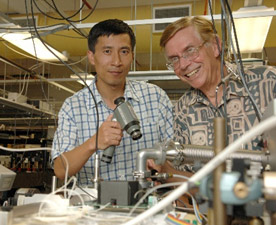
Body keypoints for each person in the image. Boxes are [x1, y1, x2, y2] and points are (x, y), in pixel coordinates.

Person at [51, 19, 173, 185]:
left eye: (124, 51)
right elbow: (60, 170)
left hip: (148, 203)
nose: (116, 61)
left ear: (132, 56)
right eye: (107, 51)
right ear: (92, 57)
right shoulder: (72, 107)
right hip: (94, 207)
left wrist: (163, 168)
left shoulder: (156, 98)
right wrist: (93, 143)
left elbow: (176, 157)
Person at [160, 16, 276, 153]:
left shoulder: (267, 81)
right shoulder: (183, 109)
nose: (183, 65)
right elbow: (186, 171)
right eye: (174, 59)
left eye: (190, 50)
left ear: (216, 46)